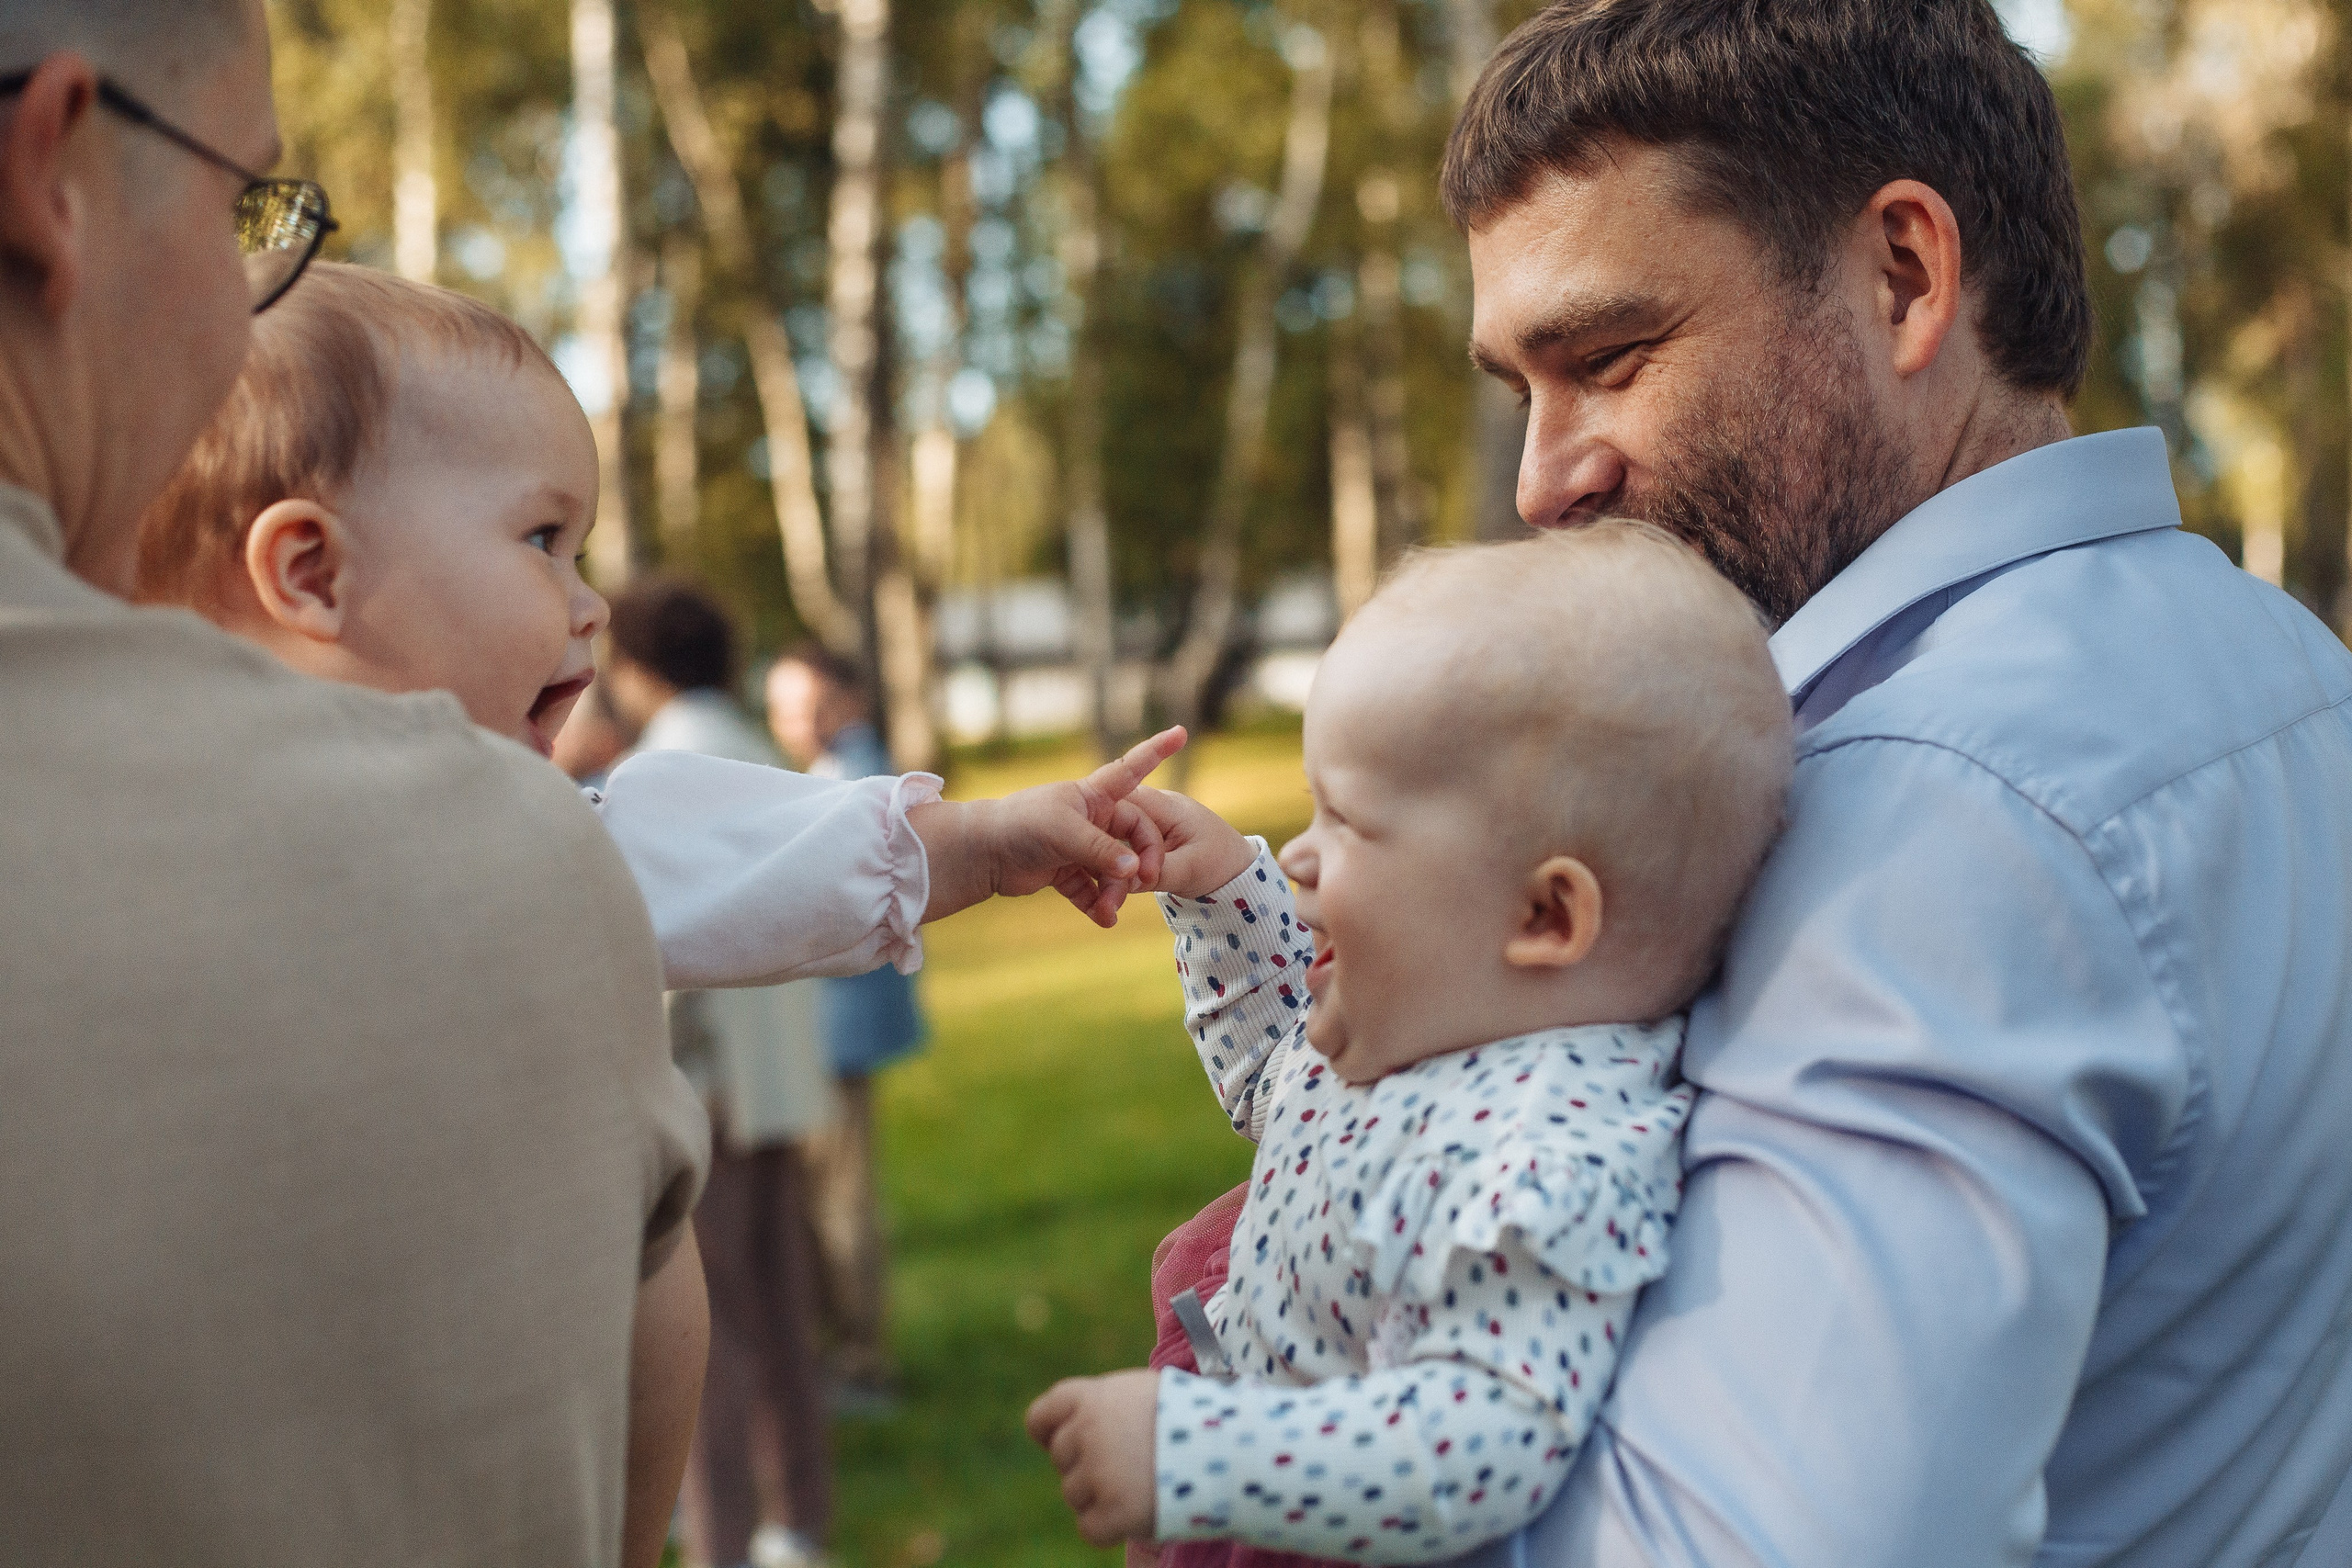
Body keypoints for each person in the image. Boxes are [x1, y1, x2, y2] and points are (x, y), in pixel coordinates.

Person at [1417, 3, 2346, 1563]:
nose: (1542, 476)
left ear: (1905, 276)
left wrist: (1313, 1438)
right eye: (1523, 388)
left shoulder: (1900, 821)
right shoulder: (2290, 672)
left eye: (1609, 359)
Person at [119, 259, 1181, 1565]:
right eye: (540, 538)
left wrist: (980, 837)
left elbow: (729, 848)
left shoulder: (508, 830)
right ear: (313, 571)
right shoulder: (165, 850)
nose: (590, 602)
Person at [0, 9, 709, 1567]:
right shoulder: (507, 864)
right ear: (51, 169)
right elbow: (645, 1408)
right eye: (245, 205)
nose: (246, 298)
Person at [1025, 525, 1793, 1563]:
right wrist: (1218, 898)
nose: (1296, 854)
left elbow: (1485, 1438)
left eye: (1346, 823)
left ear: (1541, 917)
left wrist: (1204, 1456)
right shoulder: (1423, 1023)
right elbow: (1276, 1082)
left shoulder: (1544, 1157)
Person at [605, 578, 842, 1568]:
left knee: (704, 1337)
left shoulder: (658, 771)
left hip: (709, 1091)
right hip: (786, 1077)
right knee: (784, 1312)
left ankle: (724, 1542)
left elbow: (667, 953)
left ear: (636, 666)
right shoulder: (756, 743)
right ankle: (804, 1523)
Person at [767, 641, 929, 1408]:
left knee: (841, 1196)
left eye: (804, 704)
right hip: (834, 1025)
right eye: (781, 708)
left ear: (847, 700)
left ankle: (862, 1358)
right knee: (831, 1192)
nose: (791, 722)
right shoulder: (843, 769)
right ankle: (848, 1346)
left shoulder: (858, 777)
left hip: (836, 1029)